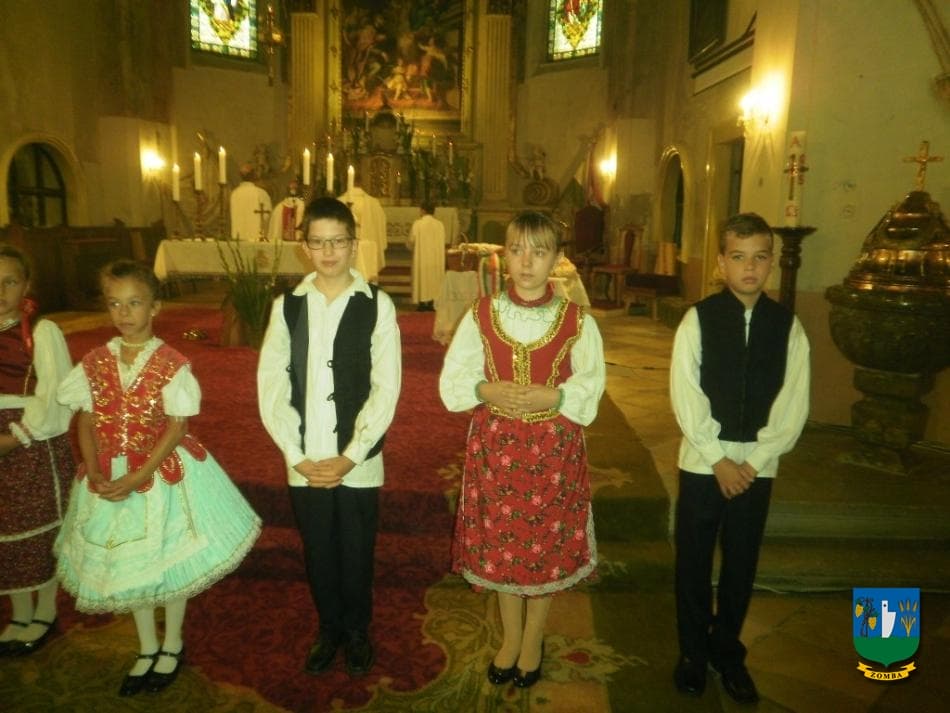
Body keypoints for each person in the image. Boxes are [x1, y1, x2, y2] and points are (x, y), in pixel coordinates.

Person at [55, 259, 261, 697]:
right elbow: (86, 420)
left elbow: (177, 425)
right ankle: (147, 646)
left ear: (155, 307)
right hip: (109, 473)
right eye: (114, 304)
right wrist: (94, 470)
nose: (124, 313)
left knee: (167, 558)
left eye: (134, 303)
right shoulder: (94, 362)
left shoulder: (170, 363)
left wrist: (140, 475)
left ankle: (172, 643)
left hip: (157, 475)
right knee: (132, 564)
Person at [439, 211, 605, 689]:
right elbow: (454, 379)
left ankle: (533, 639)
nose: (527, 262)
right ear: (503, 256)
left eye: (539, 251)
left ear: (556, 259)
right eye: (517, 250)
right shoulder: (482, 314)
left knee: (544, 546)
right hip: (496, 449)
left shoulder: (576, 320)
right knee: (504, 546)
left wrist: (557, 396)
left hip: (554, 452)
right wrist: (485, 389)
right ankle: (510, 638)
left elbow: (592, 383)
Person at [257, 197, 401, 678]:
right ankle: (329, 628)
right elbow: (272, 385)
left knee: (357, 551)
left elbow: (386, 387)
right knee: (318, 549)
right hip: (305, 459)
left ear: (353, 244)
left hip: (358, 463)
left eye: (338, 241)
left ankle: (357, 629)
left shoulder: (376, 304)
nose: (329, 251)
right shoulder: (288, 306)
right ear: (304, 247)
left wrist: (352, 454)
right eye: (318, 242)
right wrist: (295, 454)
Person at [670, 212, 810, 704]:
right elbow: (686, 392)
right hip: (702, 462)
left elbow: (794, 400)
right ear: (721, 263)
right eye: (738, 257)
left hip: (757, 467)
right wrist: (717, 457)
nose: (749, 268)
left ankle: (727, 651)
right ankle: (692, 652)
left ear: (771, 262)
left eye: (759, 258)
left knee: (741, 562)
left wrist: (756, 458)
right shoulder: (698, 319)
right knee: (693, 559)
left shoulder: (788, 327)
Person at [0, 243, 75, 657]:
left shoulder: (41, 332)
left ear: (26, 285)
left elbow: (55, 393)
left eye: (9, 282)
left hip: (31, 439)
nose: (0, 292)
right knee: (5, 532)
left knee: (38, 528)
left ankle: (44, 608)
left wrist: (17, 437)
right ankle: (19, 611)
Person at [338, 171, 388, 276]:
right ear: (361, 183)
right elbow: (381, 221)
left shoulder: (339, 201)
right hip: (367, 243)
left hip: (343, 244)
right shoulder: (373, 203)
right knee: (366, 273)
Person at [406, 202, 445, 311]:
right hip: (435, 258)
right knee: (434, 278)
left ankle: (422, 303)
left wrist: (410, 247)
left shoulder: (418, 224)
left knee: (422, 278)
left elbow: (411, 240)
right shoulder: (440, 225)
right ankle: (432, 302)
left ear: (423, 210)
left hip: (421, 257)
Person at [230, 163, 273, 241]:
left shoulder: (234, 194)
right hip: (256, 239)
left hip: (237, 239)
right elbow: (267, 216)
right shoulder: (260, 193)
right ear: (253, 175)